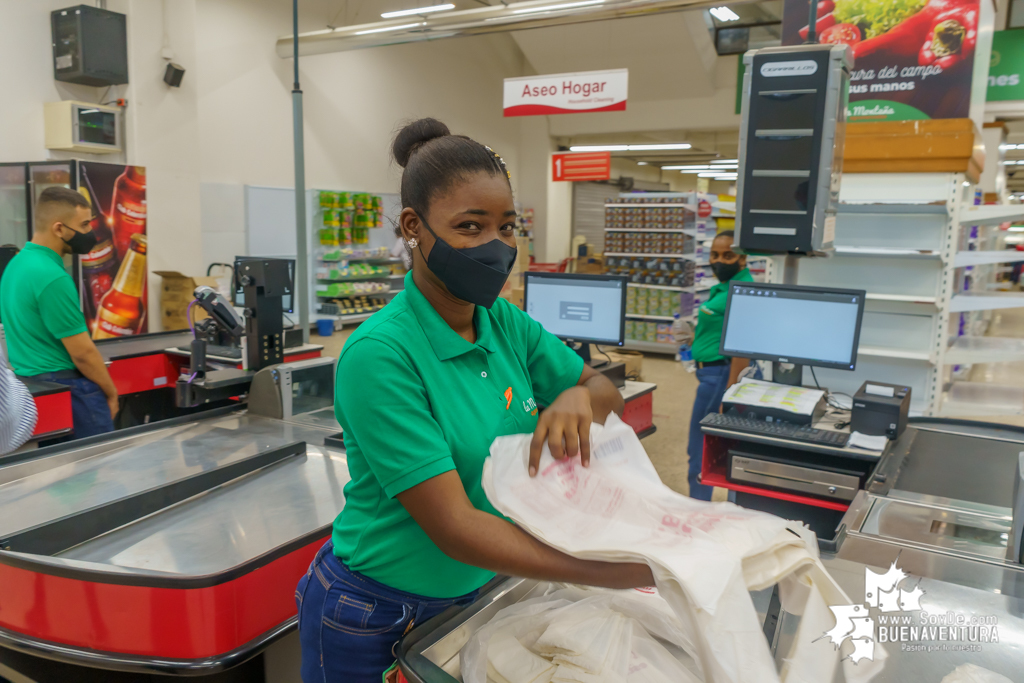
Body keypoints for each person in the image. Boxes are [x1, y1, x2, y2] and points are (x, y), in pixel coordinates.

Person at [296, 119, 652, 682]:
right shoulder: (380, 355)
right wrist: (607, 571)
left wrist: (578, 401)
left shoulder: (501, 322)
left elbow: (602, 388)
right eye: (470, 226)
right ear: (414, 227)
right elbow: (454, 525)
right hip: (378, 613)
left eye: (506, 227)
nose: (496, 247)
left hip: (480, 588)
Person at [0, 187, 118, 440]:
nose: (90, 233)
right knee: (97, 470)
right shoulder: (52, 277)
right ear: (59, 228)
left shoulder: (16, 265)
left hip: (29, 387)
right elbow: (83, 353)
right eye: (84, 225)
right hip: (70, 389)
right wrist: (111, 392)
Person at [685, 230, 752, 501]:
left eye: (728, 255)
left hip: (720, 376)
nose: (719, 261)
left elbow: (742, 344)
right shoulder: (726, 288)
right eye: (714, 254)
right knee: (705, 445)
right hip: (710, 373)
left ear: (742, 259)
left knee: (700, 449)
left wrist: (730, 393)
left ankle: (696, 509)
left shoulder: (741, 290)